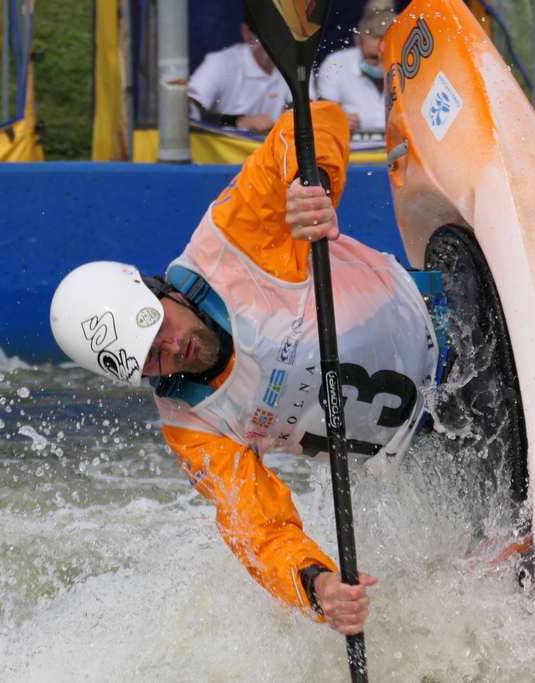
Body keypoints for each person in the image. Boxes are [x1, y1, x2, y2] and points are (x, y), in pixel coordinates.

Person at [50, 101, 447, 636]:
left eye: (157, 327)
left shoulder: (230, 241)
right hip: (432, 449)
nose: (172, 349)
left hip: (451, 328)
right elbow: (259, 531)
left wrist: (312, 186)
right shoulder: (192, 427)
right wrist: (318, 587)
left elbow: (315, 120)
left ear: (155, 288)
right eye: (150, 360)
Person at [187, 18, 292, 133]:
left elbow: (310, 111)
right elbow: (188, 111)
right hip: (227, 147)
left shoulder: (296, 65)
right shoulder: (220, 63)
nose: (274, 43)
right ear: (245, 32)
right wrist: (238, 121)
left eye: (281, 35)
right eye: (266, 36)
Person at [316, 9, 396, 136]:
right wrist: (336, 120)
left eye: (385, 57)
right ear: (358, 41)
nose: (380, 66)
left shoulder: (414, 68)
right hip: (351, 149)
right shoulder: (336, 64)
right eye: (374, 58)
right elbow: (322, 116)